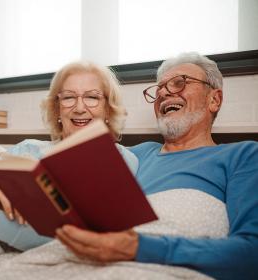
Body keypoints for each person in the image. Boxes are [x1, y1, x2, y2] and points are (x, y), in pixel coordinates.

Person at [55, 52, 258, 280]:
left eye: (179, 83)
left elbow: (252, 253)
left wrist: (137, 247)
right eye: (159, 88)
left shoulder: (242, 156)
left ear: (214, 100)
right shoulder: (131, 155)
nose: (162, 92)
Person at [0, 61, 139, 250]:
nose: (79, 107)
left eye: (92, 97)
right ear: (57, 109)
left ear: (108, 109)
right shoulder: (28, 148)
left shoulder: (122, 159)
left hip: (44, 248)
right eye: (69, 98)